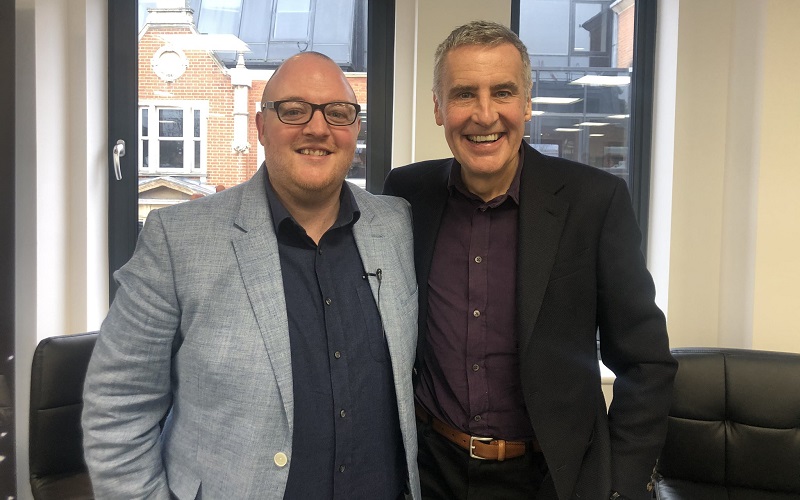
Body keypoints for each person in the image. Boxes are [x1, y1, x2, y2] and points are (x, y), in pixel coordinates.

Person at [83, 51, 421, 500]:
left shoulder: (397, 225)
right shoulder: (177, 239)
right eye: (294, 111)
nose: (317, 128)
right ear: (261, 127)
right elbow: (117, 407)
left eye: (338, 113)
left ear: (355, 129)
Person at [383, 21, 676, 500]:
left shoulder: (593, 203)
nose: (485, 114)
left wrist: (619, 483)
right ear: (438, 107)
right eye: (463, 94)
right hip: (430, 470)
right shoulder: (407, 194)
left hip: (551, 478)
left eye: (502, 92)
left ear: (526, 103)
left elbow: (647, 364)